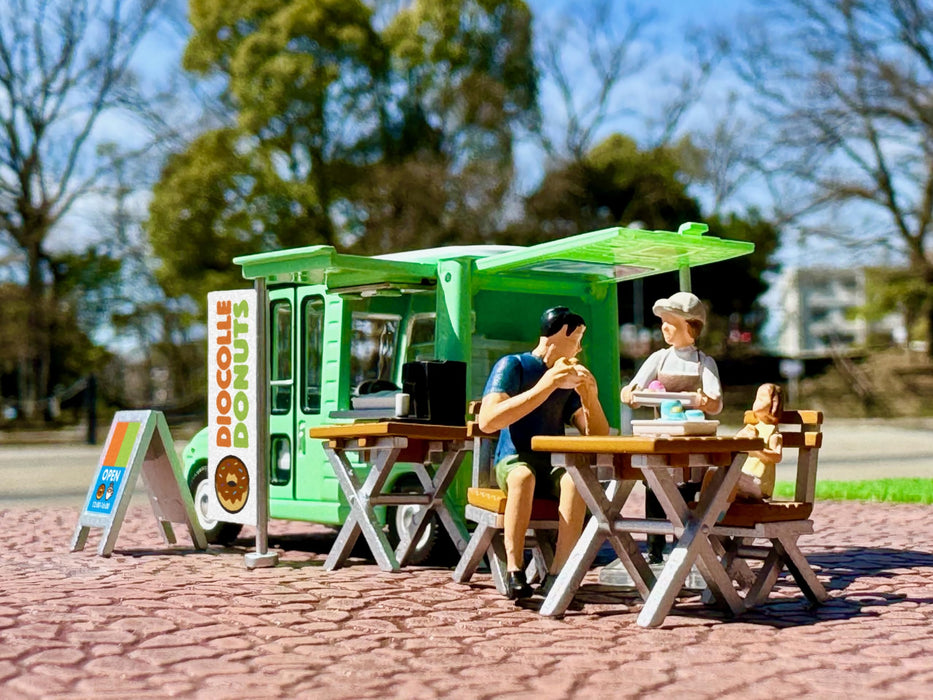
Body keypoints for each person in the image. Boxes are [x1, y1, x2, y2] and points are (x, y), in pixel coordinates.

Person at [478, 306, 609, 600]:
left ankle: (559, 572)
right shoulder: (514, 366)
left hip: (552, 462)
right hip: (514, 457)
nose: (579, 347)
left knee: (575, 481)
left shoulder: (566, 380)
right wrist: (546, 385)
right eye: (577, 339)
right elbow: (488, 421)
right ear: (560, 335)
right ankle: (515, 569)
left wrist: (590, 396)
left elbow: (597, 437)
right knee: (523, 477)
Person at [620, 291, 722, 563]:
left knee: (688, 490)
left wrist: (704, 401)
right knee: (654, 487)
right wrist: (630, 393)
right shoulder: (658, 359)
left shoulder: (704, 363)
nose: (664, 328)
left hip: (690, 437)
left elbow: (716, 402)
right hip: (662, 434)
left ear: (691, 327)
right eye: (663, 322)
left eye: (671, 323)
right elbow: (634, 387)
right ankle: (654, 549)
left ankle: (685, 547)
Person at [733, 382, 784, 501]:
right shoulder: (751, 428)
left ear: (773, 405)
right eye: (757, 398)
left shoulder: (773, 433)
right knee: (721, 476)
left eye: (761, 399)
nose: (756, 402)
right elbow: (735, 443)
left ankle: (714, 513)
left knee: (728, 479)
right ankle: (716, 512)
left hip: (759, 484)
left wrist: (756, 448)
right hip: (746, 475)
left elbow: (777, 456)